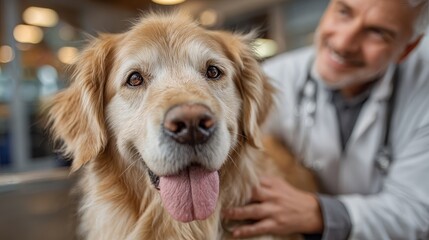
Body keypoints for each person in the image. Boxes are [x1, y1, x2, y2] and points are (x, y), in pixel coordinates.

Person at [223, 0, 429, 239]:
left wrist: (319, 214)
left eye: (377, 32)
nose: (343, 43)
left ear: (407, 49)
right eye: (344, 12)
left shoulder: (422, 92)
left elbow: (415, 212)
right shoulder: (277, 78)